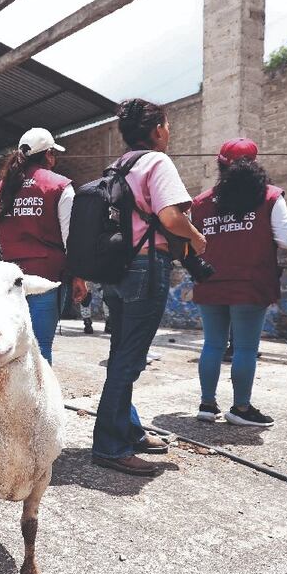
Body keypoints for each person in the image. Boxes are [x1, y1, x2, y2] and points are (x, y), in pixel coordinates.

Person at [91, 98, 206, 478]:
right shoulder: (157, 161)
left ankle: (128, 430)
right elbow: (171, 216)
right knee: (129, 359)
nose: (169, 133)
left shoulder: (117, 165)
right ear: (157, 130)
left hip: (116, 268)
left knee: (123, 353)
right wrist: (197, 238)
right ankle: (110, 446)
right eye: (167, 126)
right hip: (145, 265)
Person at [191, 140, 287, 428]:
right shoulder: (271, 197)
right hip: (250, 285)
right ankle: (240, 408)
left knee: (212, 344)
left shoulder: (201, 202)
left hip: (211, 282)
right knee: (245, 349)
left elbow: (190, 244)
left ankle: (206, 404)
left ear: (220, 164)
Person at [0, 127, 87, 363]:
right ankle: (39, 400)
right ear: (49, 155)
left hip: (7, 283)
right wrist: (79, 277)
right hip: (47, 279)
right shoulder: (60, 187)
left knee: (10, 348)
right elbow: (70, 239)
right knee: (40, 347)